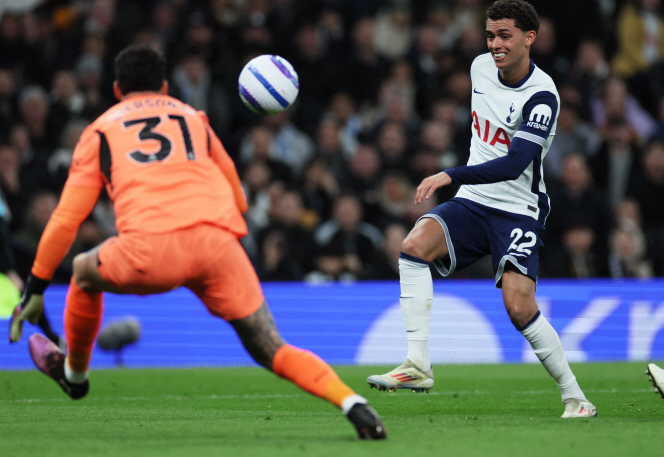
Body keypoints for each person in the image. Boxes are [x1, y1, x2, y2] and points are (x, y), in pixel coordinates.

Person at [9, 44, 385, 440]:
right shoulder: (193, 118)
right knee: (271, 347)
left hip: (150, 251)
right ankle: (353, 403)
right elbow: (238, 197)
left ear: (118, 90)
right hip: (217, 247)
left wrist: (37, 286)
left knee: (85, 271)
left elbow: (67, 218)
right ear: (166, 86)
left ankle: (75, 375)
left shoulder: (100, 129)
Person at [366, 0, 597, 418]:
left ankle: (576, 397)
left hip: (518, 209)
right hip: (475, 201)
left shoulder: (542, 96)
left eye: (504, 35)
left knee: (518, 306)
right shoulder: (478, 68)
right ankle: (417, 364)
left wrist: (450, 174)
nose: (495, 44)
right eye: (490, 35)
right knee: (414, 245)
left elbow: (513, 164)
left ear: (530, 38)